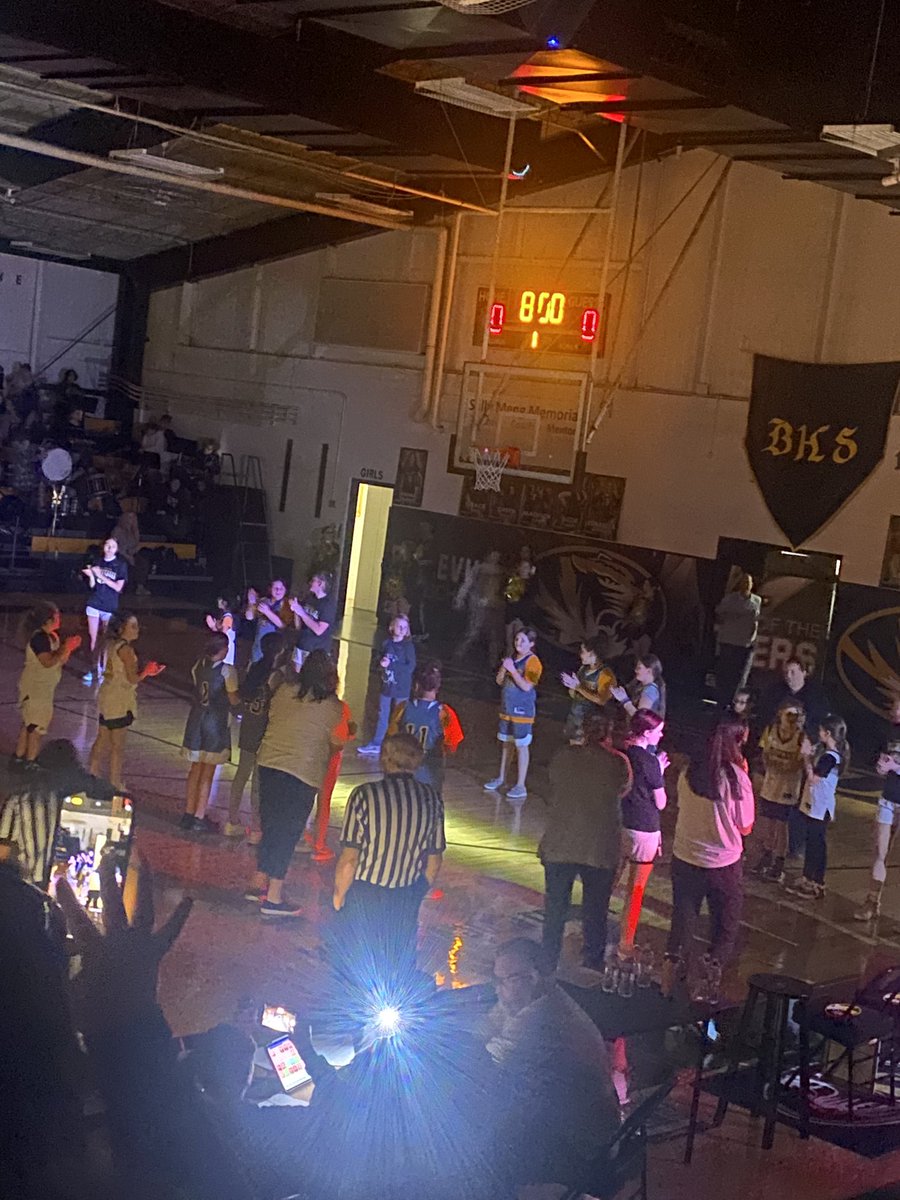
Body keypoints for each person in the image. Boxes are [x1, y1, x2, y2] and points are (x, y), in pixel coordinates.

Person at [485, 938, 621, 1189]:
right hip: (591, 1130)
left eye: (511, 979)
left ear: (538, 976)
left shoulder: (542, 1016)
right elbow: (490, 1025)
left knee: (480, 1152)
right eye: (499, 979)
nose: (501, 988)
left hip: (581, 1151)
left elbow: (488, 1062)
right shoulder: (544, 997)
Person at [248, 650, 352, 917]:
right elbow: (336, 742)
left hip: (269, 764)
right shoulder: (333, 707)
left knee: (270, 825)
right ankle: (274, 897)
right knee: (287, 833)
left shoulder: (284, 691)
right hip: (302, 773)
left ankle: (258, 881)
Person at [334, 733, 445, 975]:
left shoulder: (364, 795)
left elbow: (350, 859)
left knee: (358, 963)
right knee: (397, 963)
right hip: (405, 894)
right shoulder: (431, 799)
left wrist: (339, 895)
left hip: (366, 893)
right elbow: (434, 860)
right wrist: (415, 893)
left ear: (385, 758)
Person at [665, 717, 755, 991]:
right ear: (736, 742)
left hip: (686, 858)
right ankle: (708, 981)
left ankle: (669, 984)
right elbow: (746, 826)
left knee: (682, 922)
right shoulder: (735, 779)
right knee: (724, 928)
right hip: (723, 864)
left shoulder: (689, 773)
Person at [539, 713, 631, 972]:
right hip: (599, 848)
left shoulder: (563, 756)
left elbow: (553, 786)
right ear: (609, 734)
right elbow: (623, 789)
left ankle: (547, 964)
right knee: (595, 912)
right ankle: (592, 967)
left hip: (560, 843)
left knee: (555, 909)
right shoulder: (617, 762)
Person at [0, 740, 115, 886]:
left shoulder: (19, 799)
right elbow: (109, 791)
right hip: (61, 889)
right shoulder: (83, 789)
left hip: (32, 886)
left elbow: (2, 852)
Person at [89, 612, 165, 792]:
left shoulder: (109, 644)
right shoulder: (126, 650)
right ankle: (115, 782)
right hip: (119, 699)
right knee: (117, 744)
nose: (137, 630)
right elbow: (132, 678)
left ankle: (92, 774)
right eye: (133, 626)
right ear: (122, 628)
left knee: (102, 738)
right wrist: (147, 671)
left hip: (107, 693)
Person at [618, 710, 669, 954]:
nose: (661, 735)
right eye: (658, 731)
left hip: (619, 824)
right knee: (634, 892)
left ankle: (591, 934)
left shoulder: (621, 753)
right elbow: (661, 803)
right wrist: (659, 770)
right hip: (644, 829)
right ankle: (625, 943)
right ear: (647, 733)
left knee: (607, 883)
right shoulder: (650, 762)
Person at [224, 632, 284, 840]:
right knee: (259, 780)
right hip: (264, 729)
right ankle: (256, 827)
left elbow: (244, 696)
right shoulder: (276, 675)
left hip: (248, 725)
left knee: (242, 773)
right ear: (280, 650)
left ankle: (232, 819)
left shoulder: (254, 668)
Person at [179, 632, 240, 833]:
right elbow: (233, 699)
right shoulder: (227, 671)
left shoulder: (198, 666)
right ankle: (199, 816)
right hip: (215, 721)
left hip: (197, 718)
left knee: (195, 768)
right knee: (207, 771)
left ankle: (188, 813)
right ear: (222, 649)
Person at [786, 715, 849, 900]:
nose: (819, 734)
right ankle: (807, 877)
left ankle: (817, 882)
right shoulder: (825, 752)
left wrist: (806, 758)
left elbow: (814, 778)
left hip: (821, 807)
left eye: (821, 731)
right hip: (813, 804)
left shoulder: (831, 757)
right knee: (810, 842)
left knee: (817, 845)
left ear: (827, 733)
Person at [14, 603, 80, 768]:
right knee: (36, 727)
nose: (60, 619)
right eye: (57, 616)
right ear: (49, 619)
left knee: (29, 724)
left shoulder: (52, 637)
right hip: (36, 688)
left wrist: (68, 649)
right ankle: (30, 763)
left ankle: (18, 758)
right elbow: (47, 662)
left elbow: (59, 660)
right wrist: (65, 647)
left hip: (43, 688)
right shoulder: (39, 638)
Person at [387, 661, 464, 794]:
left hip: (404, 771)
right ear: (438, 687)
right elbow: (452, 746)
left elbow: (390, 738)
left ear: (416, 686)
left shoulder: (403, 707)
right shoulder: (444, 713)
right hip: (430, 774)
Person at [484, 626, 542, 800]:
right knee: (507, 744)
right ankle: (501, 777)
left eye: (523, 640)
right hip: (507, 710)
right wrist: (504, 668)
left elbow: (526, 686)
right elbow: (499, 680)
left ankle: (520, 785)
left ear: (531, 644)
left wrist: (513, 670)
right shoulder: (512, 659)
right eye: (517, 639)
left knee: (521, 746)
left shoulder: (533, 662)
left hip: (522, 712)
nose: (518, 643)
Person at [753, 701, 805, 883]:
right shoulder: (771, 731)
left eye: (796, 716)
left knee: (782, 826)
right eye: (789, 715)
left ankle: (779, 861)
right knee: (768, 823)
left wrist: (785, 767)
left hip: (788, 788)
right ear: (780, 713)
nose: (792, 720)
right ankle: (767, 856)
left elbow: (801, 762)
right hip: (771, 784)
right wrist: (770, 766)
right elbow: (764, 753)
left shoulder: (801, 737)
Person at [854, 739, 900, 921]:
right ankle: (872, 901)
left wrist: (896, 767)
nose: (894, 709)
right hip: (888, 799)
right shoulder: (891, 732)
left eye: (897, 707)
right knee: (880, 852)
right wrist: (881, 767)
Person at [357, 614, 416, 757]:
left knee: (399, 717)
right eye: (399, 626)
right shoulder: (386, 644)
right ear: (392, 627)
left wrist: (393, 665)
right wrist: (381, 665)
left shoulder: (408, 647)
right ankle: (377, 743)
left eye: (405, 627)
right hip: (387, 687)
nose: (402, 629)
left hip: (401, 688)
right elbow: (379, 662)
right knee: (382, 715)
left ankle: (400, 746)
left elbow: (410, 666)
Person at [80, 536, 128, 683]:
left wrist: (100, 574)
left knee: (105, 640)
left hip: (110, 606)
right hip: (94, 603)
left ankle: (104, 669)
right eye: (107, 545)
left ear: (117, 549)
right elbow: (93, 585)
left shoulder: (120, 565)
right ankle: (94, 668)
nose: (109, 548)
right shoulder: (97, 562)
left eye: (113, 546)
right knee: (93, 639)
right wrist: (91, 575)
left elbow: (118, 587)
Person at [714, 571, 762, 706]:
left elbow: (757, 620)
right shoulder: (729, 599)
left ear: (752, 585)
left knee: (741, 678)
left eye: (749, 582)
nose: (746, 585)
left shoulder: (757, 601)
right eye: (744, 582)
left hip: (745, 645)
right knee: (725, 675)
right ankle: (721, 703)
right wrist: (734, 616)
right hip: (729, 642)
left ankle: (736, 704)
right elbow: (718, 614)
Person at [560, 634, 617, 745]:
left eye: (583, 651)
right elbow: (576, 695)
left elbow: (602, 700)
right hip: (575, 717)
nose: (580, 655)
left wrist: (578, 687)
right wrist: (572, 687)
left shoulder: (605, 674)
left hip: (590, 723)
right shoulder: (583, 669)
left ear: (592, 654)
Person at [455, 549, 505, 664]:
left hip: (495, 605)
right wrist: (460, 598)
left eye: (497, 555)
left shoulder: (502, 571)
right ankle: (459, 653)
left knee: (495, 634)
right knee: (473, 630)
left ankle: (494, 661)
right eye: (493, 554)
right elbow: (467, 583)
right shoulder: (478, 568)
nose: (495, 557)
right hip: (478, 604)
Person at [289, 571, 337, 669]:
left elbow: (319, 630)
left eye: (313, 581)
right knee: (296, 679)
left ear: (320, 583)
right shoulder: (310, 598)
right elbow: (299, 626)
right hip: (301, 646)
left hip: (315, 651)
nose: (310, 583)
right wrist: (296, 609)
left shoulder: (328, 604)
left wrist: (301, 612)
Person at [245, 578, 290, 664]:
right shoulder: (264, 601)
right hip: (259, 646)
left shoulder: (287, 604)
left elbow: (282, 625)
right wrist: (251, 602)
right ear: (270, 589)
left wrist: (267, 612)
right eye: (275, 588)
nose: (278, 591)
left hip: (275, 649)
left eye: (281, 588)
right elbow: (249, 617)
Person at [611, 653, 666, 718]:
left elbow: (641, 717)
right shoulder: (643, 688)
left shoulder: (650, 690)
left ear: (649, 671)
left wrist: (624, 700)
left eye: (639, 668)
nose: (635, 670)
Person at [205, 595, 236, 666]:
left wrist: (213, 627)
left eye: (220, 600)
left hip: (224, 649)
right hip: (223, 648)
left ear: (225, 602)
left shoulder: (227, 617)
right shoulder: (224, 616)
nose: (218, 601)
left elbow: (223, 636)